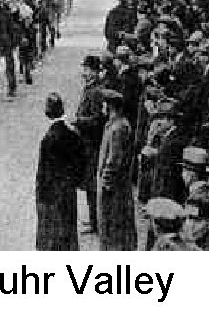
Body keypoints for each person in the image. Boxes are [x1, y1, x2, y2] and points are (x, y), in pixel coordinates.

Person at [36, 93, 86, 250]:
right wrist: (75, 181)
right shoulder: (73, 134)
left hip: (52, 192)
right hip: (68, 190)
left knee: (53, 229)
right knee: (69, 225)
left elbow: (43, 171)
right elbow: (81, 161)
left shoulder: (48, 139)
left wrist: (41, 193)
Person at [97, 89, 137, 251]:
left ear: (110, 106)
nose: (102, 107)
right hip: (119, 186)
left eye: (104, 104)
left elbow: (114, 161)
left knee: (114, 225)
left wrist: (106, 184)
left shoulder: (117, 129)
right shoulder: (117, 125)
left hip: (114, 190)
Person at [75, 54, 106, 233]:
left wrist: (78, 121)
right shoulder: (90, 88)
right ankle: (93, 219)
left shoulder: (95, 92)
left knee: (92, 185)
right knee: (88, 184)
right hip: (86, 143)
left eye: (87, 69)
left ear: (94, 72)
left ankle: (96, 222)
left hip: (92, 144)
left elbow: (96, 120)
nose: (84, 72)